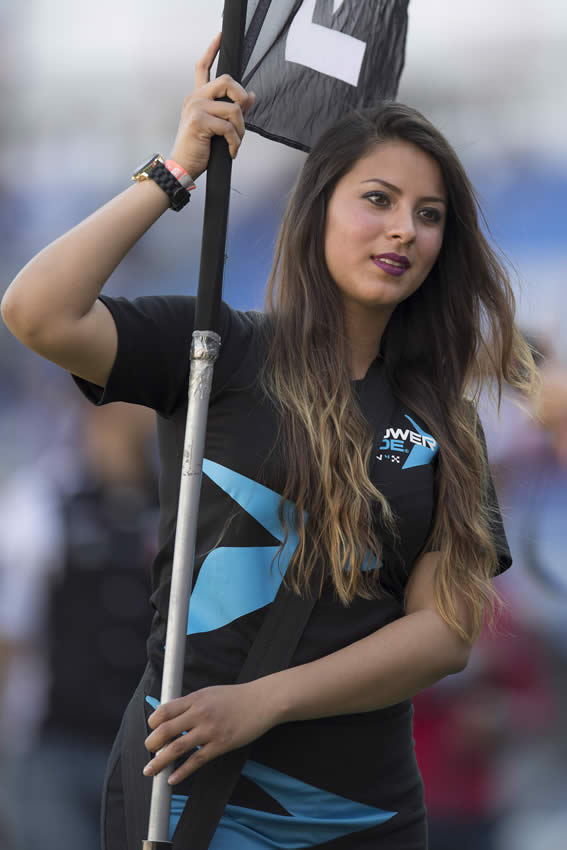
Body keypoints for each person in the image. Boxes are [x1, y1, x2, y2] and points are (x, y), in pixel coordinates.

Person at [1, 33, 537, 850]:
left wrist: (265, 700)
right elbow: (37, 311)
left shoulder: (443, 416)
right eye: (378, 200)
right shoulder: (215, 348)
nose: (404, 231)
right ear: (318, 207)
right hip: (180, 798)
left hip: (356, 814)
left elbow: (444, 634)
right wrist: (176, 169)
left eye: (428, 216)